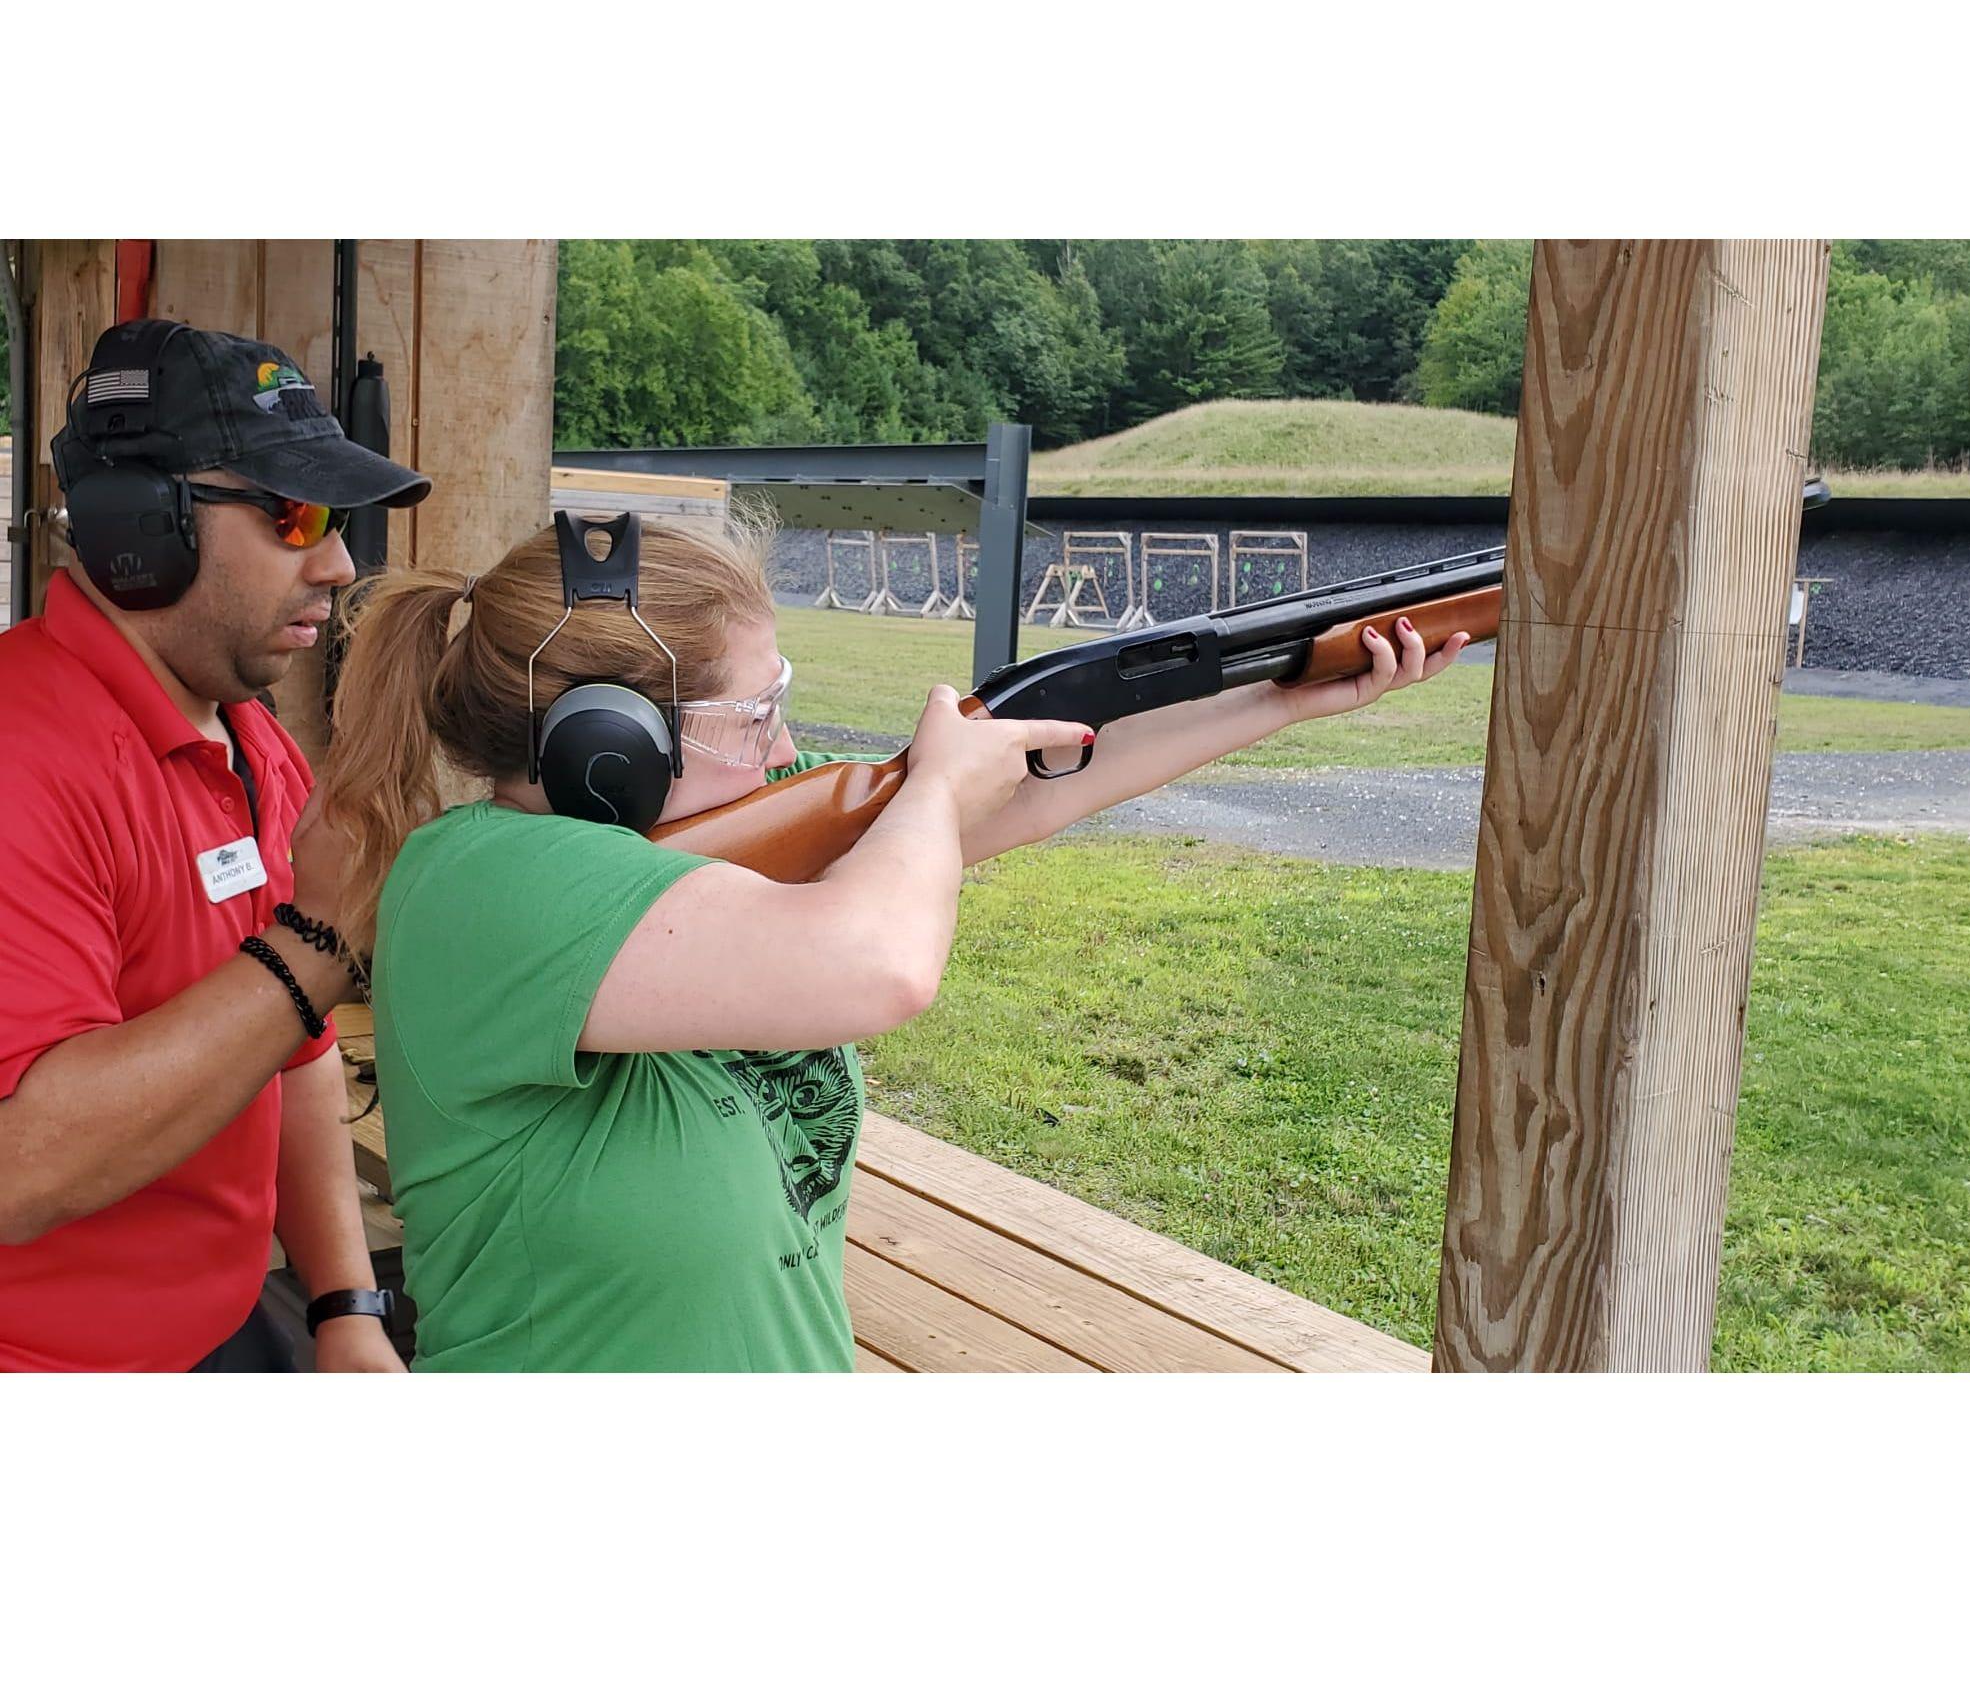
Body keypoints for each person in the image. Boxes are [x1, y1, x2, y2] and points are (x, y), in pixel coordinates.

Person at [317, 510, 1467, 1372]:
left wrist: (1282, 696)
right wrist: (932, 797)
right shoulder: (481, 883)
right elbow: (881, 964)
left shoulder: (676, 853)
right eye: (755, 716)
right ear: (605, 748)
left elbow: (1022, 790)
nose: (781, 751)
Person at [0, 320, 430, 1371]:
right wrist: (319, 938)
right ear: (138, 524)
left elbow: (289, 1052)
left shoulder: (247, 736)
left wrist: (344, 1305)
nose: (336, 563)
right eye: (294, 513)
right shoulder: (23, 757)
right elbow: (19, 1167)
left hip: (228, 1323)